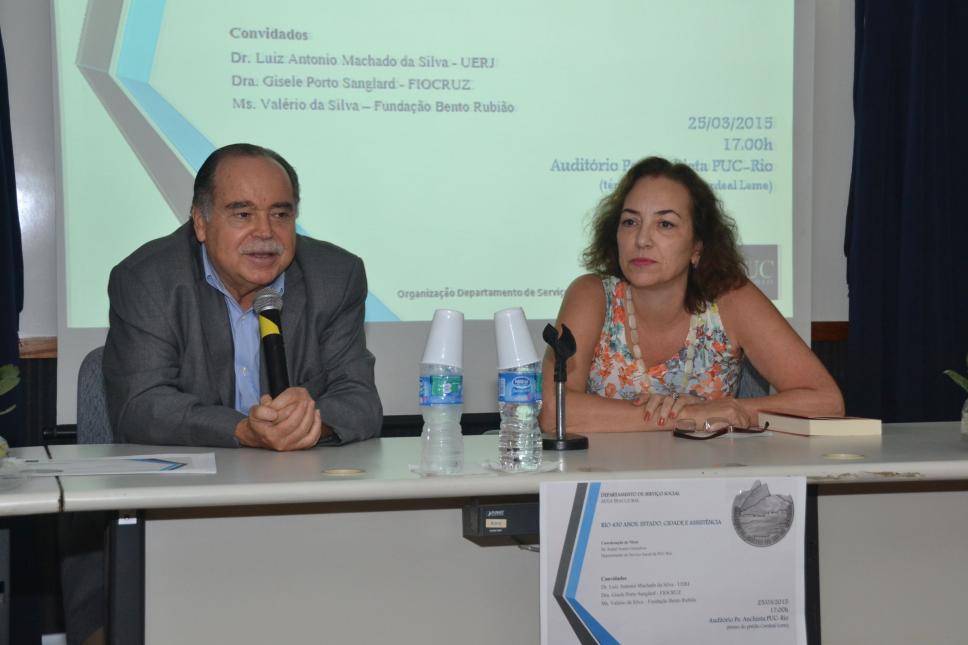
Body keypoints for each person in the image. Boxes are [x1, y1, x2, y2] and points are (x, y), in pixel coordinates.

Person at [103, 143, 382, 448]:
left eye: (280, 214)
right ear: (201, 223)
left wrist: (303, 423)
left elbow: (360, 401)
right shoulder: (148, 281)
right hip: (198, 472)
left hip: (297, 471)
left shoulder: (335, 278)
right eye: (243, 214)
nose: (265, 232)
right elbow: (141, 407)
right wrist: (241, 430)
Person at [539, 156, 843, 434]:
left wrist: (731, 410)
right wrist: (687, 417)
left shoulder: (731, 298)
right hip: (606, 476)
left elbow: (827, 403)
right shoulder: (591, 295)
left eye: (665, 224)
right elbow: (553, 413)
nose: (642, 240)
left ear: (697, 246)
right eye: (630, 222)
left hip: (712, 473)